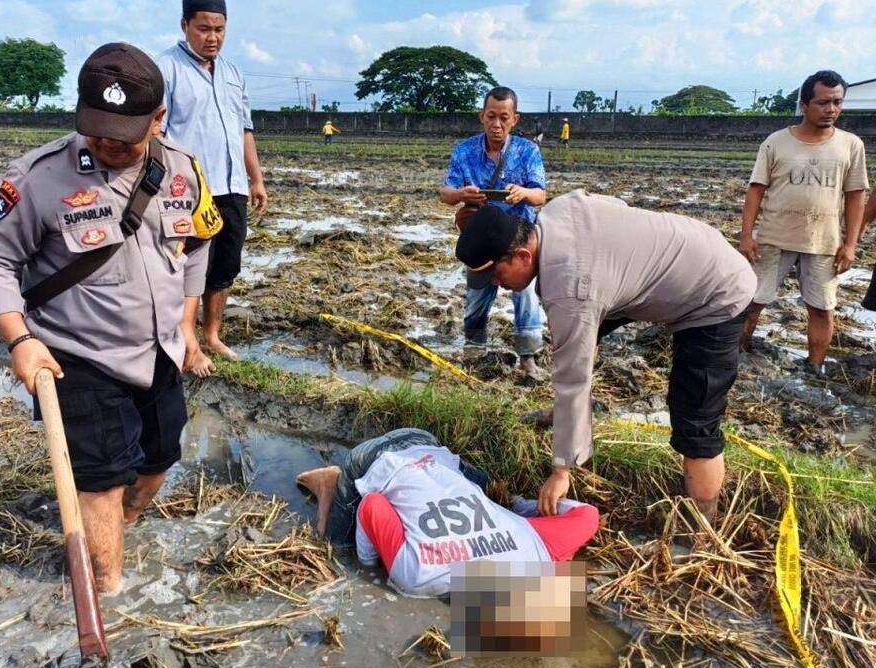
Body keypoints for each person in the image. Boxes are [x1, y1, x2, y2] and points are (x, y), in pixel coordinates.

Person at [0, 43, 221, 593]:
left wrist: (187, 325)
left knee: (159, 457)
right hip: (75, 354)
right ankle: (107, 596)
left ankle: (121, 527)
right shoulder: (38, 177)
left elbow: (200, 242)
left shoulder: (183, 170)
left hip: (158, 352)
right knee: (100, 480)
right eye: (97, 127)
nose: (107, 141)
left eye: (124, 132)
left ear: (158, 119)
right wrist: (19, 340)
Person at [455, 198, 757, 524]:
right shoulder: (556, 212)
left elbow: (573, 376)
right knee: (581, 334)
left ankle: (702, 530)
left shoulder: (571, 286)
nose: (497, 286)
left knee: (695, 422)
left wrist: (561, 471)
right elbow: (615, 205)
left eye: (497, 276)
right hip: (691, 249)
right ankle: (565, 417)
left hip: (715, 292)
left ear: (523, 255)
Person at [296, 429, 599, 598]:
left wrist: (521, 509)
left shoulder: (538, 553)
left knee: (485, 491)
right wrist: (369, 567)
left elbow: (587, 514)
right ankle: (328, 484)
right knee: (338, 546)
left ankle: (509, 501)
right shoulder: (417, 577)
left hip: (431, 448)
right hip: (372, 458)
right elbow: (372, 504)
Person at [158, 0, 269, 362]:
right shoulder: (166, 69)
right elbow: (156, 131)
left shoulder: (234, 73)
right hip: (187, 191)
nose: (213, 37)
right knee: (182, 263)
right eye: (204, 28)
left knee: (225, 264)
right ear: (185, 24)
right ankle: (178, 337)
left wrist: (256, 179)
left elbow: (244, 130)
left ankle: (212, 335)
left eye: (220, 29)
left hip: (232, 185)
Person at [737, 70, 868, 376]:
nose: (831, 109)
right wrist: (746, 236)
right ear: (804, 104)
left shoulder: (851, 145)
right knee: (752, 300)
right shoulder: (776, 142)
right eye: (823, 102)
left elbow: (855, 197)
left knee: (822, 307)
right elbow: (756, 190)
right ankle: (736, 352)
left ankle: (815, 368)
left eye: (837, 102)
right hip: (773, 237)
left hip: (823, 242)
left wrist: (850, 245)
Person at [439, 87, 547, 376]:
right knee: (476, 295)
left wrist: (523, 193)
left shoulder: (527, 151)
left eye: (504, 118)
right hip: (481, 239)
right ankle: (474, 352)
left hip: (517, 240)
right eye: (491, 117)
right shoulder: (464, 151)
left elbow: (541, 196)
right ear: (481, 117)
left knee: (525, 297)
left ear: (514, 119)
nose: (496, 125)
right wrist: (462, 193)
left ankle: (528, 358)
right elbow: (445, 193)